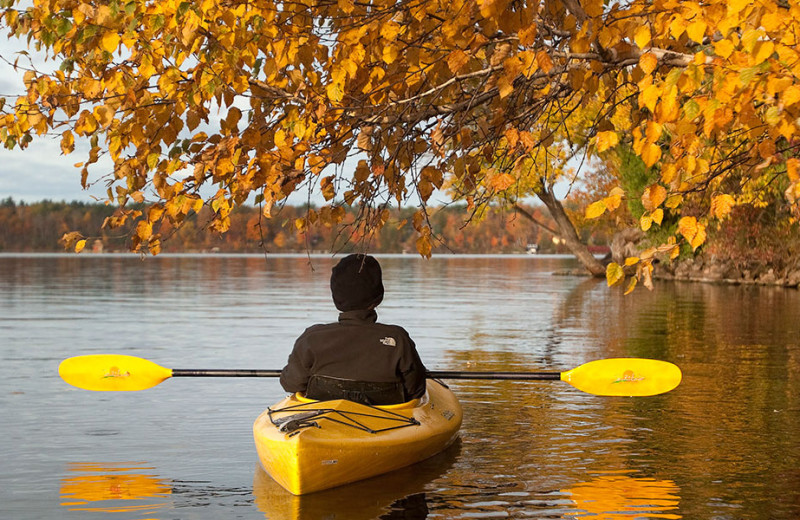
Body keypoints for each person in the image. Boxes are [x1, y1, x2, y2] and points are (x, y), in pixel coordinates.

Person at [279, 254, 428, 405]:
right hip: (390, 419)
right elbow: (416, 389)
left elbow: (290, 384)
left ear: (336, 298)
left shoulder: (311, 338)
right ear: (378, 297)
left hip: (322, 419)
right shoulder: (397, 339)